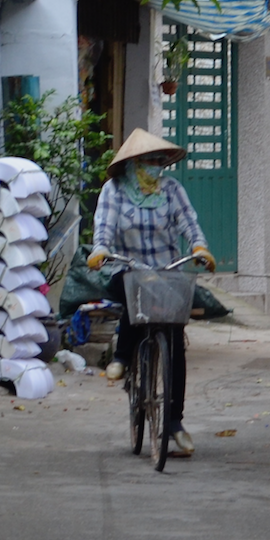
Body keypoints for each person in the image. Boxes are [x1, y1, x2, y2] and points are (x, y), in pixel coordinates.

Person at [87, 129, 216, 455]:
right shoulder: (114, 191)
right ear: (132, 164)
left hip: (167, 271)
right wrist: (100, 249)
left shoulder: (171, 190)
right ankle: (121, 356)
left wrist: (199, 245)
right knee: (134, 287)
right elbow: (104, 225)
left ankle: (174, 421)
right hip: (124, 268)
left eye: (160, 161)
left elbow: (188, 221)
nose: (156, 166)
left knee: (175, 342)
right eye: (150, 161)